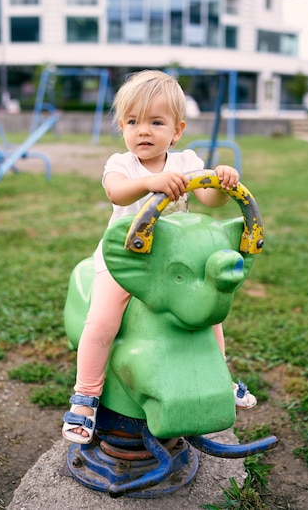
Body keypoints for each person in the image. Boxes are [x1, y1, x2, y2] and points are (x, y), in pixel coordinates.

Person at [62, 70, 256, 444]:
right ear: (122, 126)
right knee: (102, 322)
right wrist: (150, 183)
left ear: (177, 130)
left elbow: (209, 197)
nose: (143, 131)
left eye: (156, 122)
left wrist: (223, 179)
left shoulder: (185, 162)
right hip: (126, 260)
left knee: (208, 317)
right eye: (133, 122)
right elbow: (117, 194)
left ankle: (218, 376)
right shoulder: (122, 165)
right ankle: (86, 396)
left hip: (173, 265)